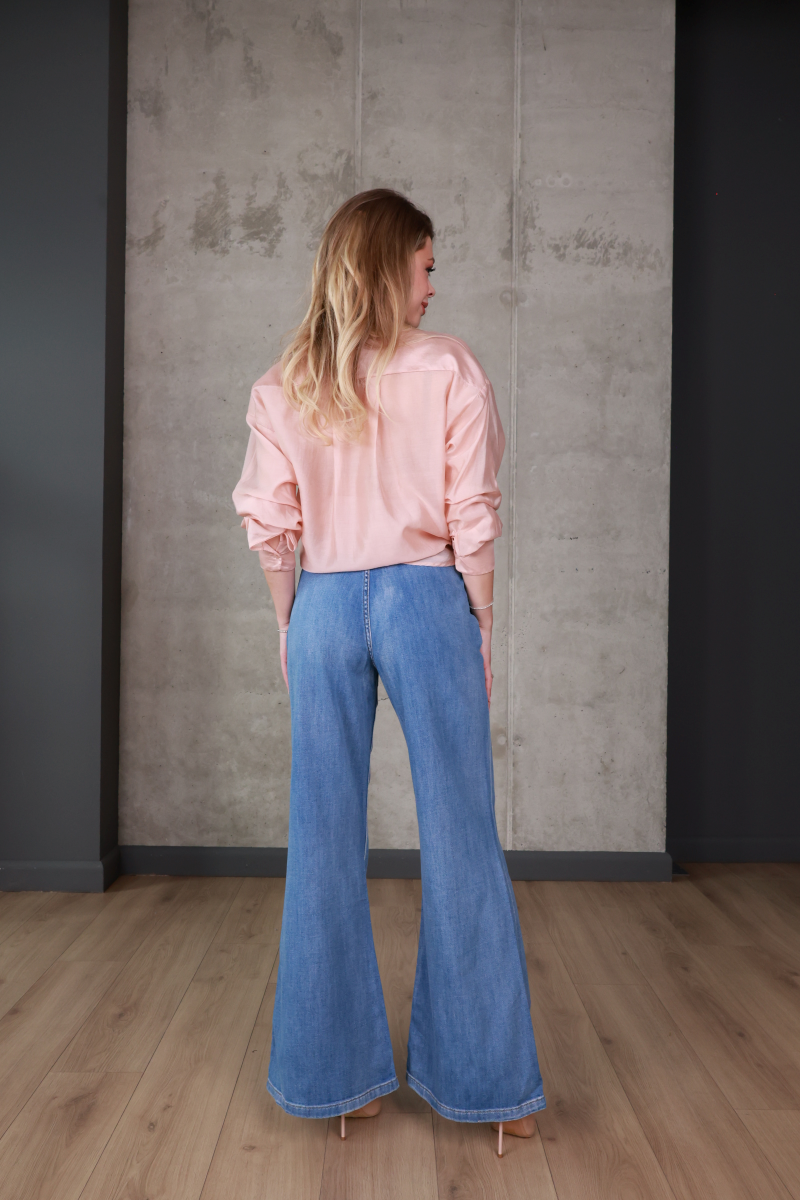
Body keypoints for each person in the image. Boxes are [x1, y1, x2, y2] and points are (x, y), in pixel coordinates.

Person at [232, 189, 545, 1152]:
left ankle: (339, 1087)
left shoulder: (285, 382)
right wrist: (481, 618)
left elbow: (271, 525)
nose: (432, 285)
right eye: (425, 265)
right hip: (425, 596)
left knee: (320, 837)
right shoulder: (448, 367)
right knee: (461, 833)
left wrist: (290, 622)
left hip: (322, 602)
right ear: (386, 264)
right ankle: (492, 1091)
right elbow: (472, 510)